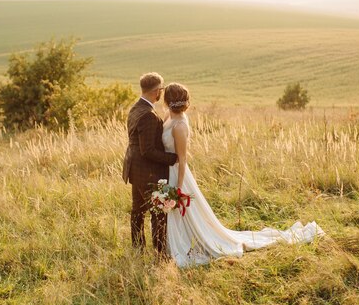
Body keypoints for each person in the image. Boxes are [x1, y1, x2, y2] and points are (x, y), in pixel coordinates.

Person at [161, 83, 325, 267]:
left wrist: (178, 188)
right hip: (166, 171)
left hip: (177, 174)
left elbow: (183, 160)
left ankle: (185, 244)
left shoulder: (180, 126)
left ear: (168, 101)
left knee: (184, 213)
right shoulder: (169, 116)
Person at [123, 73, 178, 256]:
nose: (161, 93)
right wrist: (172, 158)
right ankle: (160, 252)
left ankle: (138, 248)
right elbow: (147, 150)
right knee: (158, 211)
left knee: (137, 210)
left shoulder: (135, 108)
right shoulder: (147, 114)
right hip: (147, 171)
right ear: (156, 91)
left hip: (134, 168)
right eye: (161, 90)